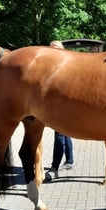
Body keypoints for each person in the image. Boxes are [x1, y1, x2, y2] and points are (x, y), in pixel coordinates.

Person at [45, 41, 74, 181]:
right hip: (57, 106)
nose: (53, 52)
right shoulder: (51, 68)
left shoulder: (66, 66)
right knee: (65, 134)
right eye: (51, 50)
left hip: (63, 107)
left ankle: (54, 167)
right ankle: (70, 161)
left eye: (55, 49)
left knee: (59, 135)